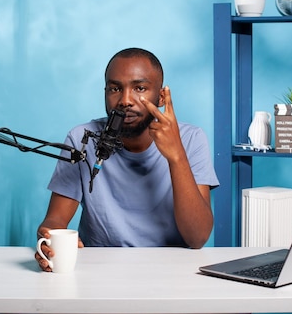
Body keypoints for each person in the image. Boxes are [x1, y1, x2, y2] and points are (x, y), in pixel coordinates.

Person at [35, 48, 219, 271]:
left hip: (172, 271)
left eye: (139, 88)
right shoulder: (82, 139)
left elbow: (197, 237)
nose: (125, 100)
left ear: (161, 96)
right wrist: (49, 239)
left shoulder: (190, 139)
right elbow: (54, 221)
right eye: (115, 89)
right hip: (100, 271)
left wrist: (176, 155)